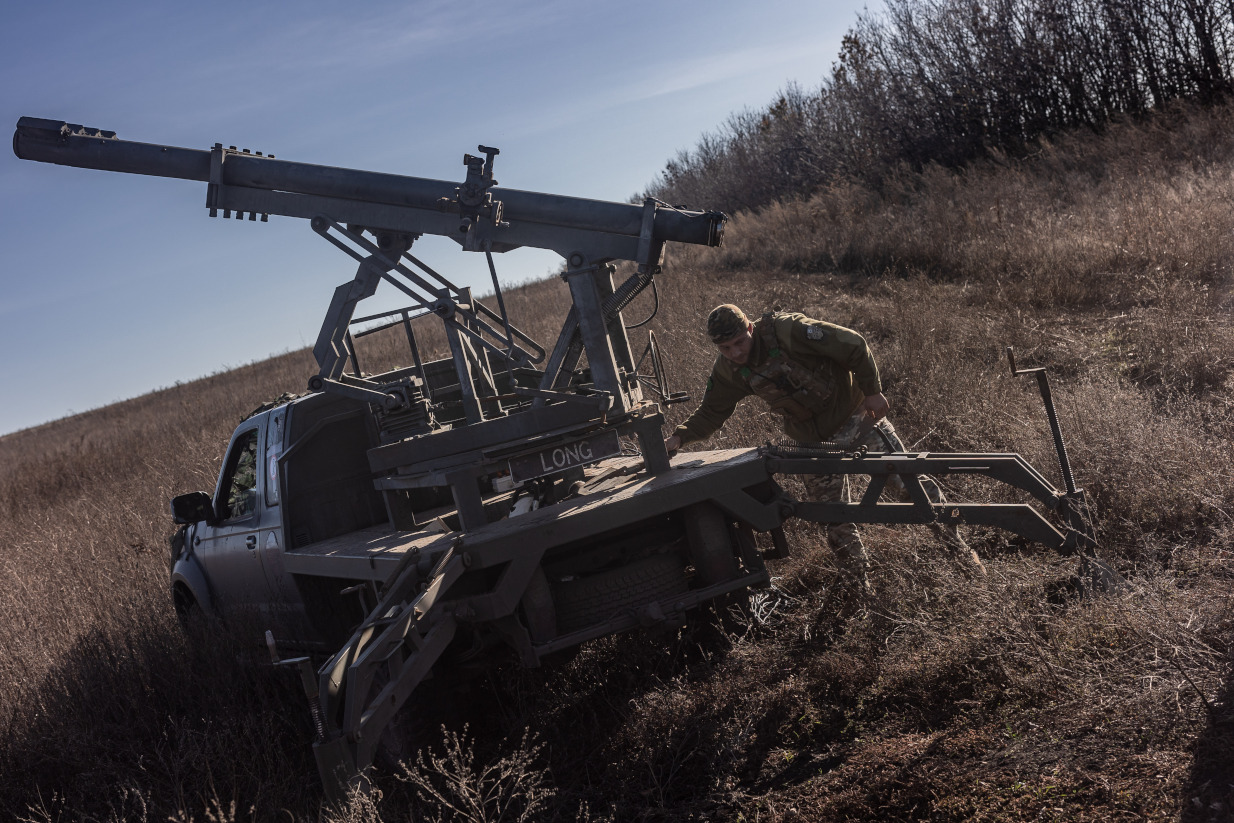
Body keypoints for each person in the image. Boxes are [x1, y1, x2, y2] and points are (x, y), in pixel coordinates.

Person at [664, 304, 985, 604]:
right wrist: (679, 437)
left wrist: (873, 392)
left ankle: (960, 554)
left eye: (739, 342)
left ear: (749, 328)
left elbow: (853, 344)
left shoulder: (787, 331)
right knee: (834, 517)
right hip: (812, 443)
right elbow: (712, 411)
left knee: (909, 487)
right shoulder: (729, 370)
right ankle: (861, 591)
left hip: (857, 419)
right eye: (726, 349)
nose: (735, 353)